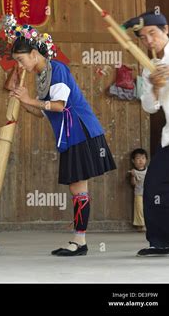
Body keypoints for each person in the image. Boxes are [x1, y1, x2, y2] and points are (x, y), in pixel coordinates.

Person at [8, 20, 116, 257]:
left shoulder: (57, 69)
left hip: (80, 131)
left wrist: (28, 100)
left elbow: (58, 105)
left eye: (21, 59)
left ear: (35, 54)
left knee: (78, 187)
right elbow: (42, 112)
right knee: (77, 187)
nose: (20, 64)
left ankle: (80, 240)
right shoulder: (42, 75)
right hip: (70, 135)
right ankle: (79, 240)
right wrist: (25, 104)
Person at [124, 10, 169, 257]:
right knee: (156, 186)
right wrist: (155, 87)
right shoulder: (148, 68)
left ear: (165, 30)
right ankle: (161, 241)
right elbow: (149, 107)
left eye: (152, 34)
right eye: (143, 37)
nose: (149, 41)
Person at [128, 148, 148, 232]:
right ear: (133, 160)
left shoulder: (148, 170)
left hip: (148, 193)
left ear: (146, 160)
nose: (141, 160)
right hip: (139, 193)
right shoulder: (133, 171)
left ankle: (147, 224)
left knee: (147, 209)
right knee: (139, 209)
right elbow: (133, 184)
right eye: (138, 158)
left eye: (143, 158)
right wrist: (132, 176)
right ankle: (141, 225)